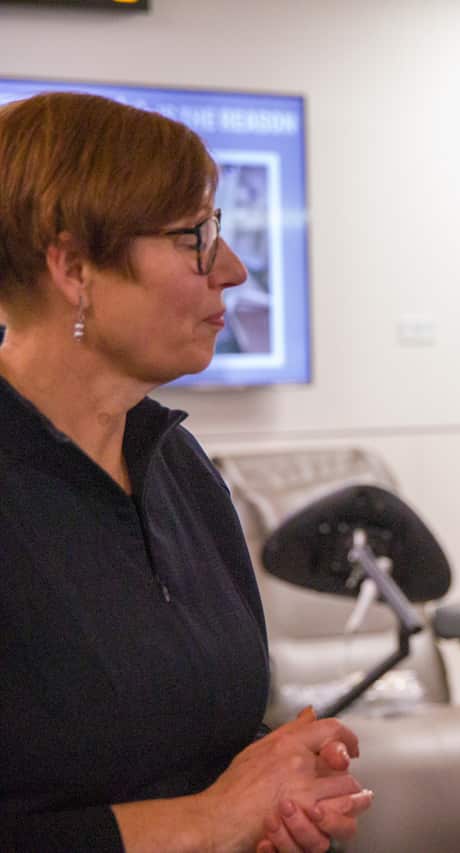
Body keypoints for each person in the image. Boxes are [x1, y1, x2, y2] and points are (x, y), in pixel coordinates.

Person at [0, 92, 371, 853]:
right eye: (193, 237)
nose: (231, 269)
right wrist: (210, 819)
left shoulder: (176, 462)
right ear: (74, 267)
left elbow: (192, 737)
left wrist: (277, 785)